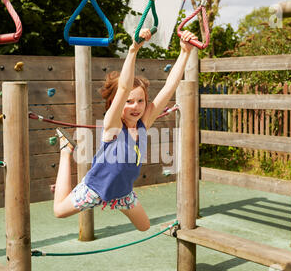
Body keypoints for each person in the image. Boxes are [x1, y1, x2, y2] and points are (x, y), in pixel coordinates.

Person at [52, 28, 198, 231]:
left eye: (140, 101)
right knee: (59, 211)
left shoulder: (143, 124)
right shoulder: (112, 125)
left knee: (144, 227)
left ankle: (113, 199)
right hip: (95, 189)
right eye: (129, 101)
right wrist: (133, 50)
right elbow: (122, 88)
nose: (136, 106)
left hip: (123, 193)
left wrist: (185, 52)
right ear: (116, 103)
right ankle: (66, 150)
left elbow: (169, 87)